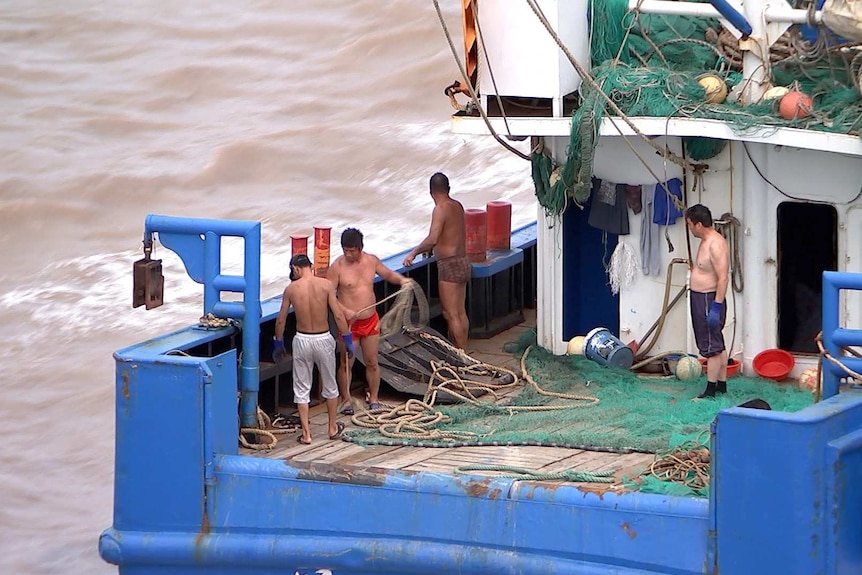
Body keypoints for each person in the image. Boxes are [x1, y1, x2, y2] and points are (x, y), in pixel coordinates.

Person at [327, 228, 411, 414]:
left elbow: (388, 274)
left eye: (352, 250)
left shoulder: (371, 261)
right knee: (346, 363)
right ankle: (346, 399)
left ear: (360, 247)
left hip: (370, 320)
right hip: (349, 325)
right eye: (345, 250)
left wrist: (402, 281)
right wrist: (346, 311)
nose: (348, 254)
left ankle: (373, 398)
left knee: (372, 361)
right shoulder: (337, 267)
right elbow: (329, 296)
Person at [274, 254, 353, 444]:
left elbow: (281, 320)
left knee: (301, 387)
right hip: (324, 338)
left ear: (295, 268)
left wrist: (278, 342)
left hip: (302, 339)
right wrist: (347, 338)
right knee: (330, 384)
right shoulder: (325, 285)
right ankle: (332, 428)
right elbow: (338, 315)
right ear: (311, 266)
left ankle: (307, 434)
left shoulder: (291, 289)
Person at [402, 172, 470, 350]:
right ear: (448, 188)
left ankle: (462, 355)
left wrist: (414, 253)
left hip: (449, 265)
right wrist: (433, 246)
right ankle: (465, 352)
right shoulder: (457, 205)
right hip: (463, 260)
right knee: (461, 312)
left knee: (450, 313)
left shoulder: (440, 209)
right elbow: (451, 233)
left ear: (431, 192)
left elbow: (433, 238)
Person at [685, 204, 730, 399]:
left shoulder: (715, 244)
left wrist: (716, 307)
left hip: (708, 299)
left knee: (711, 346)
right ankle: (721, 384)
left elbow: (723, 277)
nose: (689, 228)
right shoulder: (705, 240)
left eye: (689, 224)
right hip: (700, 297)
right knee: (717, 343)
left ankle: (710, 390)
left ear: (699, 225)